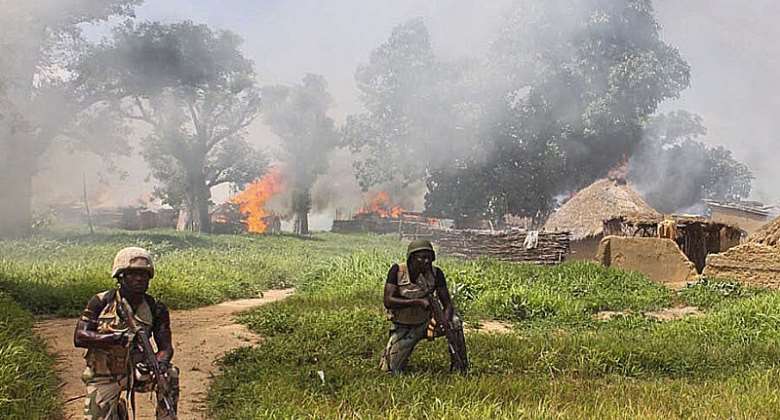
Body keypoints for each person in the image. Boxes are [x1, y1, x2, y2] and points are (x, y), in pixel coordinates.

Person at [74, 247, 179, 420]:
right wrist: (113, 338)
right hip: (104, 375)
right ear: (120, 276)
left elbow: (166, 347)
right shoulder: (101, 302)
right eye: (133, 274)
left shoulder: (156, 308)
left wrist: (160, 362)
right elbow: (79, 337)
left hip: (138, 371)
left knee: (169, 374)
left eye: (144, 274)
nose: (139, 278)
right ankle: (118, 412)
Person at [379, 239, 467, 374]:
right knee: (390, 370)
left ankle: (460, 366)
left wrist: (443, 321)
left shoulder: (436, 273)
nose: (427, 261)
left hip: (425, 324)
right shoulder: (398, 271)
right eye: (422, 258)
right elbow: (388, 301)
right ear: (412, 258)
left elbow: (447, 304)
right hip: (403, 326)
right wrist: (417, 302)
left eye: (429, 258)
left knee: (455, 322)